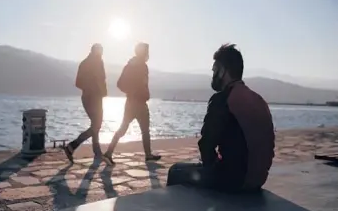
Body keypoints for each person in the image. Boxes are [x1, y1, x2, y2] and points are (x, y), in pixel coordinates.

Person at [166, 44, 275, 192]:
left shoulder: (223, 99)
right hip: (258, 180)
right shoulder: (259, 100)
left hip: (234, 181)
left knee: (175, 171)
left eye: (214, 70)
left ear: (222, 71)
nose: (213, 75)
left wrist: (212, 167)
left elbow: (206, 145)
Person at [102, 43, 161, 166]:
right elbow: (120, 84)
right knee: (139, 130)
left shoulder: (135, 66)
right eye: (147, 51)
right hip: (135, 103)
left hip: (135, 102)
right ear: (143, 52)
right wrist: (133, 92)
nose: (148, 54)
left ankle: (110, 152)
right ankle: (147, 155)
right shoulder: (136, 66)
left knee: (131, 129)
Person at [64, 43, 107, 163]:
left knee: (95, 125)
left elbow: (101, 80)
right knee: (96, 125)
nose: (101, 54)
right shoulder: (91, 63)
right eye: (100, 51)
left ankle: (97, 152)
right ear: (95, 51)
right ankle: (72, 146)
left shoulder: (93, 63)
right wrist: (91, 88)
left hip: (94, 98)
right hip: (91, 98)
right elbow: (79, 82)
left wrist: (101, 91)